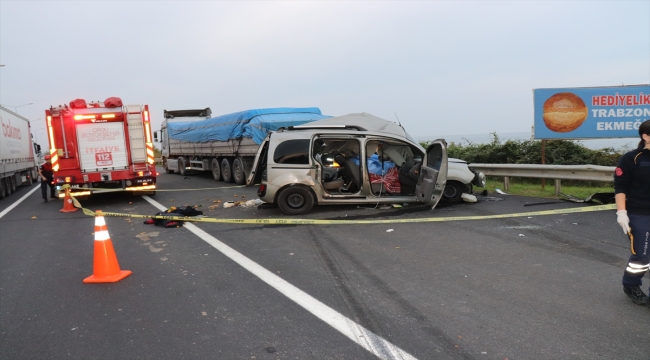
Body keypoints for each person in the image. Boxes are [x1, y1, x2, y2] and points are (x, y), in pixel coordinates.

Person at [614, 119, 650, 306]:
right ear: (646, 136)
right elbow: (620, 187)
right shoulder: (631, 158)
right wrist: (622, 213)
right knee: (642, 255)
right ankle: (631, 285)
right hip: (639, 214)